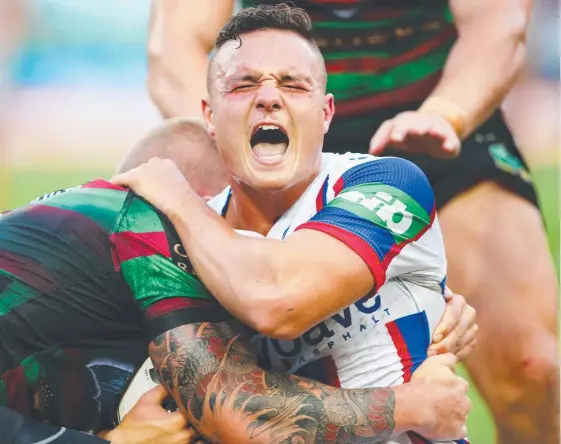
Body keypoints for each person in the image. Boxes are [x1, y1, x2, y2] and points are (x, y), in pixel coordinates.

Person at [147, 1, 559, 442]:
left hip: (435, 113)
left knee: (531, 368)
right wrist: (231, 145)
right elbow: (176, 42)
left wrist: (445, 113)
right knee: (197, 389)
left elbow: (499, 23)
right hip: (282, 117)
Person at [0, 118, 474, 443]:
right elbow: (241, 415)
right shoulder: (151, 225)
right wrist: (419, 406)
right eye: (228, 221)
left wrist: (421, 298)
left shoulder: (65, 257)